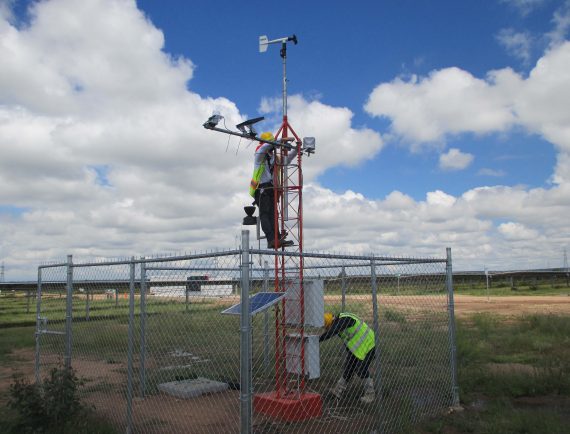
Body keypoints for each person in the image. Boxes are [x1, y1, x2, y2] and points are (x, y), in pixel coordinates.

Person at [249, 132, 297, 249]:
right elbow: (265, 147)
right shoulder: (259, 155)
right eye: (271, 144)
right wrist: (281, 140)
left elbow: (287, 160)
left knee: (273, 215)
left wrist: (296, 149)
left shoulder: (274, 158)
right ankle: (271, 239)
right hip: (261, 189)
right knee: (265, 214)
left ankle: (277, 238)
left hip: (271, 190)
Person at [320, 312, 376, 404]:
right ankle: (338, 391)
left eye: (327, 327)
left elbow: (332, 332)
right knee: (348, 368)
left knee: (361, 369)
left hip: (370, 344)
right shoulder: (338, 324)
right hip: (358, 348)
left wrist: (317, 339)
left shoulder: (345, 319)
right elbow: (348, 338)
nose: (327, 329)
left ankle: (370, 394)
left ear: (331, 324)